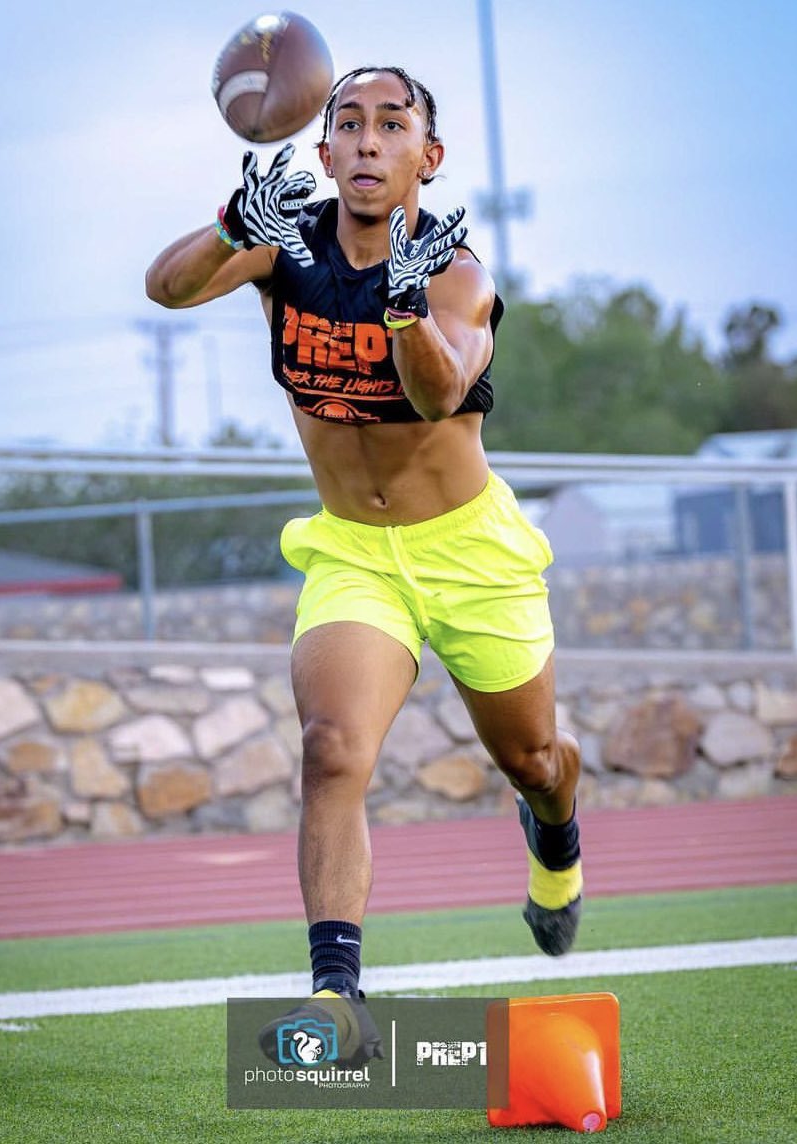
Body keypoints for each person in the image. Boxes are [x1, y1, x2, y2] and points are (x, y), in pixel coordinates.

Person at [146, 65, 582, 1061]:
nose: (370, 141)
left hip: (468, 549)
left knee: (532, 760)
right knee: (331, 746)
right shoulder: (279, 243)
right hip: (353, 549)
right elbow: (163, 290)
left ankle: (554, 835)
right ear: (323, 151)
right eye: (350, 124)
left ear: (427, 157)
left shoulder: (453, 272)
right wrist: (225, 223)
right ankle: (337, 996)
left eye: (393, 126)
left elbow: (438, 393)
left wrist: (398, 303)